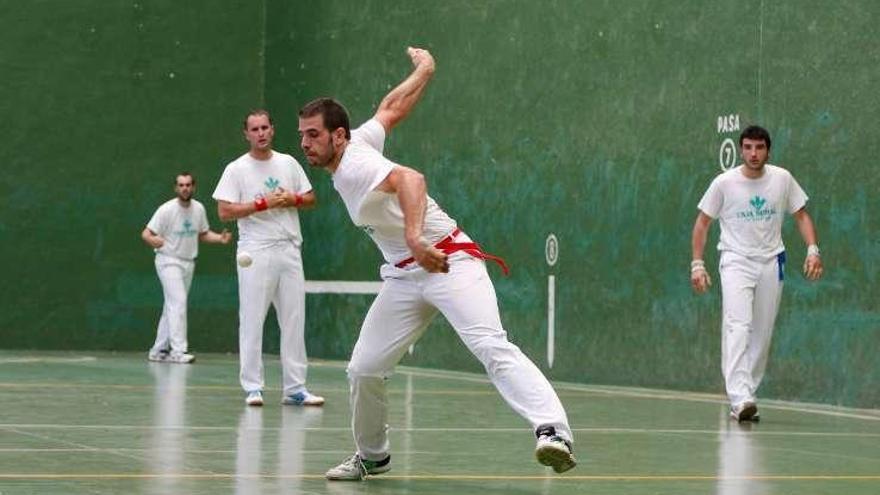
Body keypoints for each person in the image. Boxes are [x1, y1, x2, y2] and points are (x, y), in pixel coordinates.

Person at [297, 47, 576, 481]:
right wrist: (424, 70)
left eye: (313, 135)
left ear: (338, 136)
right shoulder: (361, 142)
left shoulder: (355, 166)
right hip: (404, 277)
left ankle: (554, 433)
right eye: (302, 135)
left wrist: (413, 235)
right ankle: (372, 455)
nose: (304, 144)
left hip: (449, 260)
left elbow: (412, 180)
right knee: (364, 368)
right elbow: (391, 109)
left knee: (490, 345)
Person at [690, 125, 824, 422]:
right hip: (736, 261)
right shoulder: (724, 183)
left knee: (762, 331)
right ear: (741, 150)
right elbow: (702, 224)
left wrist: (813, 249)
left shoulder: (782, 179)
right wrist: (697, 264)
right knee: (738, 325)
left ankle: (748, 391)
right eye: (748, 147)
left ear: (768, 150)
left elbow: (801, 215)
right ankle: (740, 397)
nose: (753, 153)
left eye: (759, 147)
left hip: (771, 261)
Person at [212, 109, 323, 407]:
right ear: (246, 134)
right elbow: (224, 211)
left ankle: (295, 389)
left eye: (265, 127)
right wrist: (261, 203)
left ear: (273, 129)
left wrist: (292, 199)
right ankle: (252, 387)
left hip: (288, 248)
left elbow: (311, 198)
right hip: (255, 250)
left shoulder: (288, 163)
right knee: (251, 319)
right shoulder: (236, 169)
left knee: (294, 319)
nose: (260, 133)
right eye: (254, 129)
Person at [142, 172, 232, 364]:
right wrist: (153, 240)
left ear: (193, 187)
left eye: (188, 185)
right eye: (181, 185)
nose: (185, 188)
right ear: (176, 188)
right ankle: (178, 351)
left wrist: (220, 239)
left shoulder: (198, 209)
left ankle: (157, 350)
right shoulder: (166, 210)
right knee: (179, 302)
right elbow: (146, 233)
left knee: (172, 306)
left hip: (188, 262)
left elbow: (202, 234)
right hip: (168, 260)